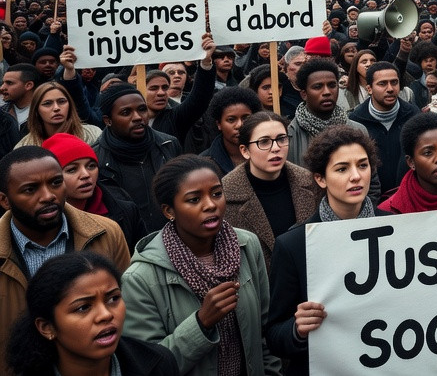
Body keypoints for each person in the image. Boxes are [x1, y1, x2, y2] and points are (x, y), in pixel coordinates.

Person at [121, 155, 280, 375]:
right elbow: (147, 366)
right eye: (194, 199)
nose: (210, 205)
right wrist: (202, 322)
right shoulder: (140, 278)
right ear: (169, 211)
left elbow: (265, 331)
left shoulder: (247, 245)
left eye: (217, 194)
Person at [268, 126, 386, 376]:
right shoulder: (294, 244)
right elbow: (275, 336)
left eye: (363, 165)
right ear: (320, 179)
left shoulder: (396, 229)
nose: (356, 176)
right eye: (342, 169)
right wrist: (297, 328)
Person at [0, 147, 132, 356]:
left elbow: (129, 307)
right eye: (30, 189)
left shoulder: (107, 233)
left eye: (55, 183)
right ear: (4, 200)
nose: (48, 196)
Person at [5, 251, 178, 376]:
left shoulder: (158, 364)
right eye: (83, 308)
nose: (106, 315)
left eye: (113, 299)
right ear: (47, 327)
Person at [220, 112, 319, 267]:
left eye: (281, 139)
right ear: (245, 151)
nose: (276, 148)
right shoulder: (225, 195)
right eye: (264, 142)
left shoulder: (310, 183)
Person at [92, 83, 181, 236]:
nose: (138, 117)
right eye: (126, 112)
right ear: (108, 120)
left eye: (142, 109)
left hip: (172, 237)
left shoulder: (168, 144)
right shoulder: (95, 159)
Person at [41, 134, 141, 252]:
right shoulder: (42, 217)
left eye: (91, 166)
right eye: (72, 169)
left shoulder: (125, 210)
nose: (86, 175)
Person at [347, 61, 415, 196]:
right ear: (369, 89)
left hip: (409, 196)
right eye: (382, 84)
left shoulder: (414, 117)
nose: (390, 89)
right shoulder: (355, 122)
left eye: (394, 82)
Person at [286, 57, 367, 167]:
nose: (327, 92)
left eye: (332, 85)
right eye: (318, 87)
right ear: (304, 94)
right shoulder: (290, 135)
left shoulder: (358, 130)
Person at [14, 81, 101, 148]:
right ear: (36, 110)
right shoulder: (25, 146)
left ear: (70, 105)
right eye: (47, 103)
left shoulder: (93, 135)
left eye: (62, 101)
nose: (56, 108)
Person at [200, 87, 260, 176]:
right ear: (219, 124)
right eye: (231, 120)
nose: (239, 125)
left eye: (245, 118)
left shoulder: (268, 152)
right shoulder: (204, 163)